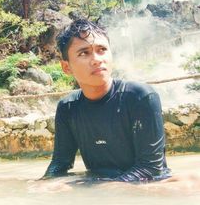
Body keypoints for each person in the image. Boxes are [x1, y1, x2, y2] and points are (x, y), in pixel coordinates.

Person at [43, 19, 171, 182]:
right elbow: (60, 164)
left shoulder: (140, 97)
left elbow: (150, 168)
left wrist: (104, 189)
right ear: (66, 67)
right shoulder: (68, 107)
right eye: (84, 53)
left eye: (102, 50)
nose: (97, 59)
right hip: (100, 186)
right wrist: (44, 184)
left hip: (145, 188)